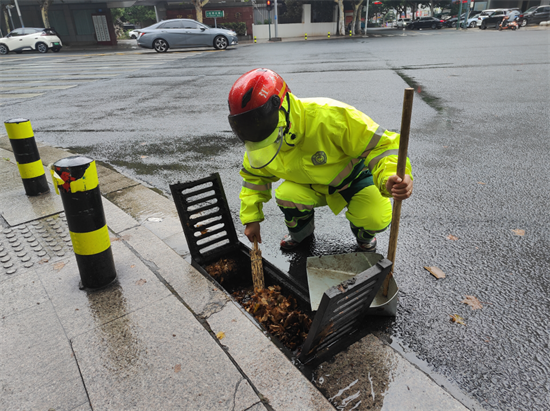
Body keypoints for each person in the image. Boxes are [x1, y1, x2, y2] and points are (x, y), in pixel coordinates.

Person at [227, 68, 413, 251]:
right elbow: (254, 179)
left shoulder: (330, 116)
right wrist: (252, 219)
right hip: (309, 186)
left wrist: (391, 175)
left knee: (376, 217)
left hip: (353, 180)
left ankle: (364, 236)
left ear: (282, 105)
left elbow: (382, 146)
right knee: (286, 195)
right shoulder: (259, 141)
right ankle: (301, 237)